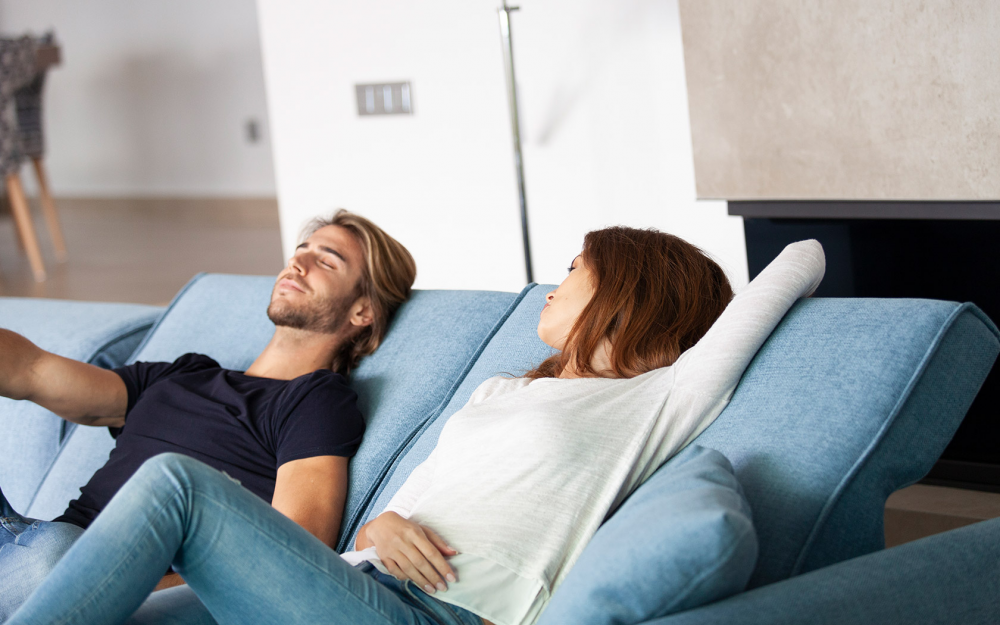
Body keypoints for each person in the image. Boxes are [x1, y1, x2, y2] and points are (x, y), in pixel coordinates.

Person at [8, 228, 825, 625]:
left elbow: (804, 256)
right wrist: (385, 523)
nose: (555, 282)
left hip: (434, 617)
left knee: (174, 484)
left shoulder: (663, 398)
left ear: (630, 291)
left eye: (577, 268)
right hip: (360, 582)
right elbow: (391, 516)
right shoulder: (502, 389)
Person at [0, 210, 417, 620]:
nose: (297, 262)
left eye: (326, 261)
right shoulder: (183, 374)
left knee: (49, 563)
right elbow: (31, 370)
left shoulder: (314, 400)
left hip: (69, 569)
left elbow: (293, 555)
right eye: (300, 250)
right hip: (24, 542)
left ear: (362, 311)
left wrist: (115, 585)